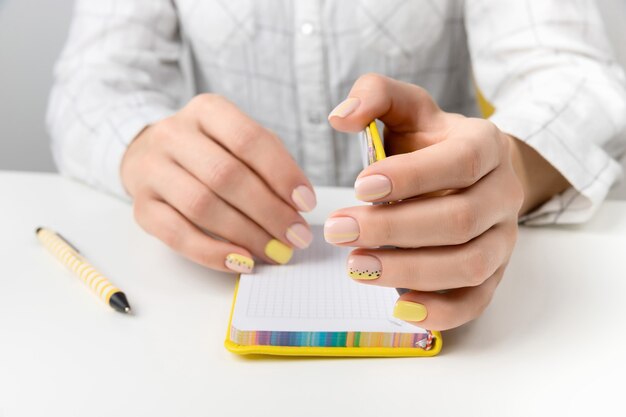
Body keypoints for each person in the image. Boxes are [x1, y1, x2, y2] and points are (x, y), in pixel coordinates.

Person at [47, 1, 626, 330]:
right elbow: (92, 85)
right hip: (209, 301)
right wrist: (143, 145)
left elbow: (573, 76)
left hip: (454, 287)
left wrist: (508, 169)